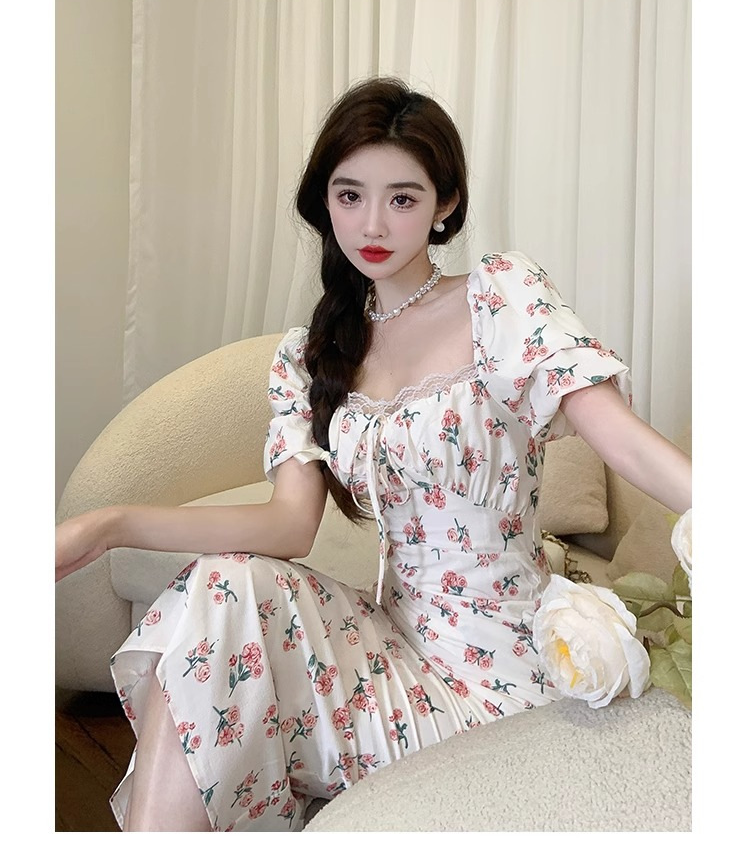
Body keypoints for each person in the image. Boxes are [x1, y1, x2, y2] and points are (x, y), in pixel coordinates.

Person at [55, 77, 692, 832]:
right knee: (223, 590)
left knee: (223, 611)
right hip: (391, 649)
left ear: (446, 204)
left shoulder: (498, 299)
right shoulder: (311, 357)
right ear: (324, 202)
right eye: (350, 195)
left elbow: (618, 436)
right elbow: (287, 527)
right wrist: (108, 525)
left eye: (402, 198)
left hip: (504, 669)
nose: (373, 224)